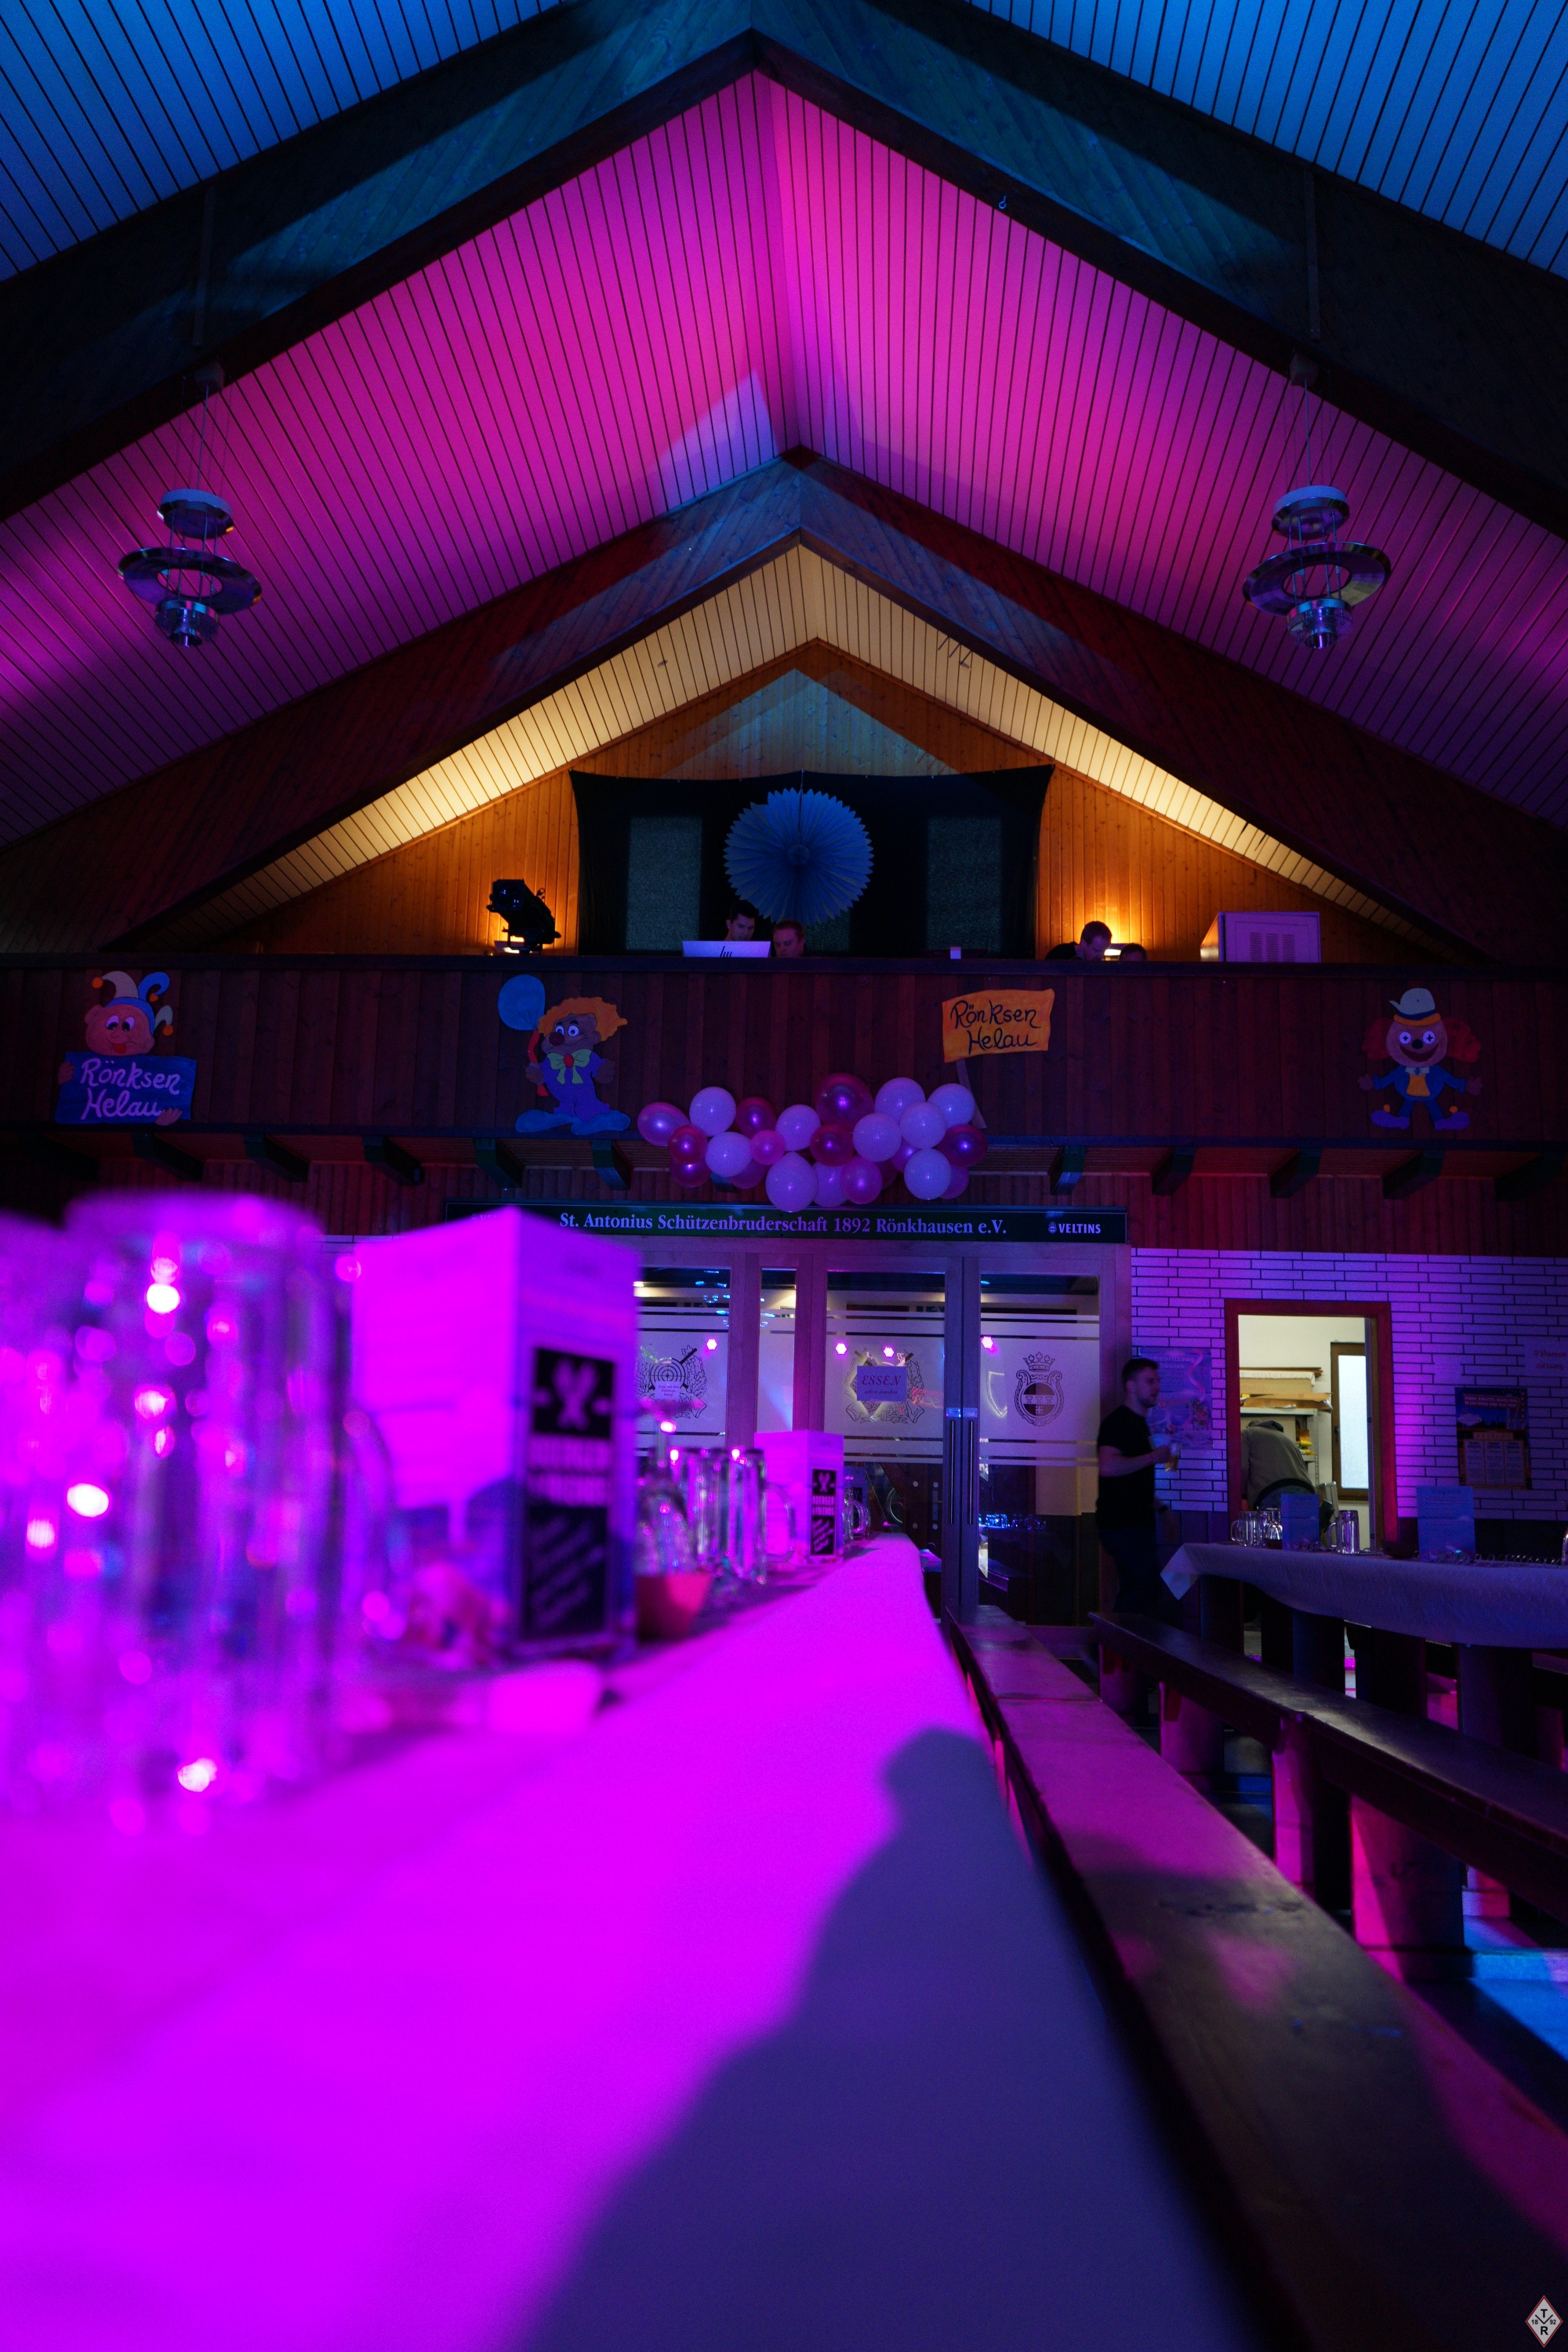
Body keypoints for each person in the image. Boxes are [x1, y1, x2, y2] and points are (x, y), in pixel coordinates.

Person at [1096, 1356, 1181, 1624]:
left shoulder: (1139, 1424)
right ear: (1131, 1386)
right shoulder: (1118, 1423)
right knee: (1147, 1590)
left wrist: (1162, 1509)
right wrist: (1152, 1458)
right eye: (1150, 1381)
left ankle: (1111, 1642)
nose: (1157, 1387)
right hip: (1123, 1523)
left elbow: (1134, 1480)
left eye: (1157, 1381)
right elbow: (1108, 1467)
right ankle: (1106, 1638)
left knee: (1138, 1590)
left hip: (1135, 1522)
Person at [1241, 1418, 1316, 1509]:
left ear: (1248, 1427)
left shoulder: (1246, 1434)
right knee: (1302, 1519)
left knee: (1273, 1519)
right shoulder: (1287, 1439)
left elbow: (1242, 1468)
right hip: (1306, 1492)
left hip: (1274, 1493)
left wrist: (1243, 1495)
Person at [1047, 920, 1112, 962]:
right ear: (1083, 944)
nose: (1101, 956)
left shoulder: (1095, 964)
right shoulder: (1060, 954)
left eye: (1104, 951)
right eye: (1096, 951)